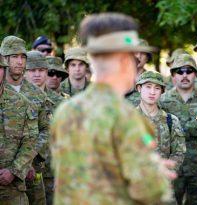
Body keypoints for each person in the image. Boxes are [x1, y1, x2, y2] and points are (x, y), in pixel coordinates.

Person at [50, 12, 175, 205]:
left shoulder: (65, 111)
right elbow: (150, 192)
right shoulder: (127, 118)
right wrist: (155, 171)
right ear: (125, 62)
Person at [1, 35, 51, 205]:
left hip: (32, 170)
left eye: (23, 57)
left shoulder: (37, 94)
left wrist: (26, 161)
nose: (20, 62)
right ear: (5, 59)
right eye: (14, 56)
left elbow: (46, 130)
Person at [160, 54, 197, 205]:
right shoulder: (162, 101)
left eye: (189, 71)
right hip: (173, 167)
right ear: (173, 75)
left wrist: (177, 129)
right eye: (179, 71)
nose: (184, 75)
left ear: (196, 75)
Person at [25, 51, 65, 205]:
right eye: (32, 70)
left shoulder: (60, 103)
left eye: (41, 70)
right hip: (22, 170)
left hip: (51, 172)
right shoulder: (17, 100)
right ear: (25, 72)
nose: (37, 75)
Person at [0, 55, 37, 205]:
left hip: (13, 188)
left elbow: (31, 140)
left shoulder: (21, 103)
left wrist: (13, 171)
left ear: (4, 70)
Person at [135, 70, 186, 171]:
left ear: (162, 92)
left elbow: (179, 153)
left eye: (157, 88)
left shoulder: (171, 121)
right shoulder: (127, 119)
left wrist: (165, 171)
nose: (152, 92)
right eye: (148, 87)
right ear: (139, 88)